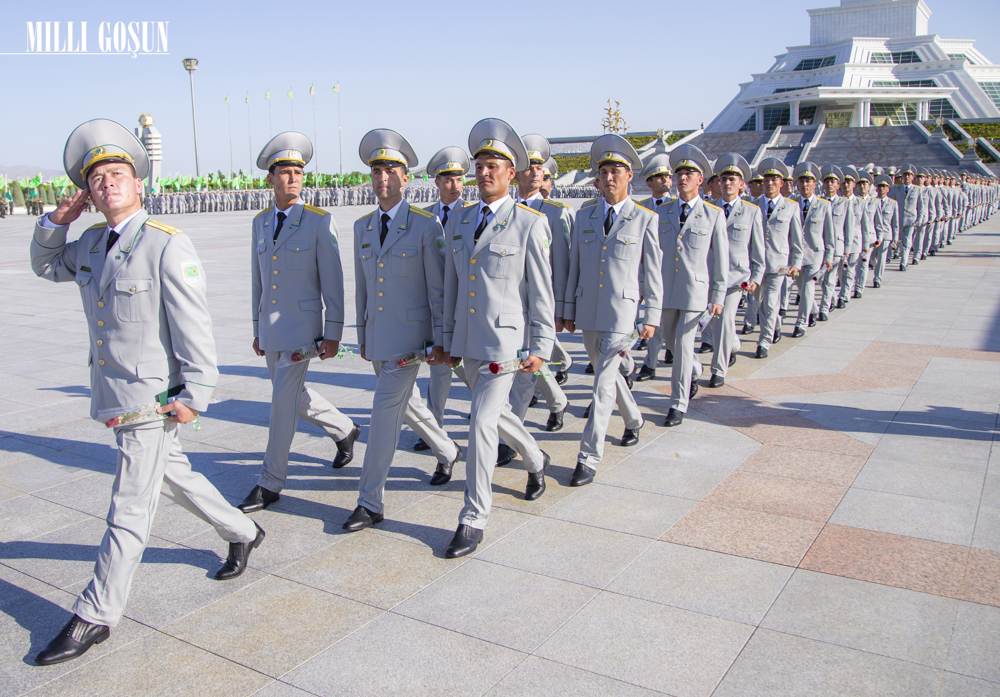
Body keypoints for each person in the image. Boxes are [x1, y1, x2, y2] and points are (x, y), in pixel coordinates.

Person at [29, 119, 262, 665]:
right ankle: (243, 530)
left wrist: (196, 393)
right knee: (173, 477)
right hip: (113, 391)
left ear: (139, 184)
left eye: (117, 173)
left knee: (129, 507)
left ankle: (97, 613)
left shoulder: (165, 245)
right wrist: (54, 222)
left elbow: (193, 327)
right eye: (98, 178)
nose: (108, 183)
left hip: (151, 398)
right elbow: (44, 265)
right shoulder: (88, 242)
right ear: (88, 192)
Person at [440, 118, 554, 558]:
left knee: (482, 422)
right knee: (499, 417)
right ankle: (535, 458)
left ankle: (473, 517)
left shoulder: (528, 223)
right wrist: (447, 338)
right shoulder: (462, 219)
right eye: (480, 165)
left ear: (512, 173)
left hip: (505, 345)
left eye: (494, 166)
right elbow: (452, 285)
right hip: (467, 342)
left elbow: (540, 291)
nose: (485, 173)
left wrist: (540, 347)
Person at [343, 129, 462, 532]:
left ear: (406, 178)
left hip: (411, 342)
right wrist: (362, 333)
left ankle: (369, 500)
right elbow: (362, 286)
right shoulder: (361, 227)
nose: (383, 179)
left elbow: (438, 288)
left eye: (391, 171)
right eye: (377, 171)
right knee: (408, 406)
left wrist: (440, 339)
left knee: (383, 415)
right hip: (378, 338)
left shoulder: (426, 226)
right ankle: (447, 450)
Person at [239, 132, 359, 514]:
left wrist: (334, 331)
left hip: (303, 329)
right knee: (293, 396)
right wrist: (257, 327)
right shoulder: (260, 223)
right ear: (270, 179)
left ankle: (270, 480)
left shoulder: (319, 222)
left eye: (297, 172)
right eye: (285, 172)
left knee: (281, 405)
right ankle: (344, 429)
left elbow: (334, 281)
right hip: (272, 329)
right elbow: (258, 278)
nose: (292, 178)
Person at [563, 134, 662, 485]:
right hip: (589, 309)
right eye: (604, 171)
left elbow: (652, 271)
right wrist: (567, 308)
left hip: (622, 314)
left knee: (602, 384)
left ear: (629, 175)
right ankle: (634, 420)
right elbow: (574, 264)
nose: (609, 178)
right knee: (611, 375)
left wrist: (651, 315)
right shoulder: (585, 215)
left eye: (616, 171)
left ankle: (588, 456)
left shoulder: (645, 218)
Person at [656, 144, 728, 427]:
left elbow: (721, 259)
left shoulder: (713, 215)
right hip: (666, 289)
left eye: (690, 173)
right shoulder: (663, 212)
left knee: (684, 346)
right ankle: (694, 370)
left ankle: (678, 402)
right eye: (680, 173)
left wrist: (718, 295)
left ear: (701, 179)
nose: (683, 178)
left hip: (695, 291)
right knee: (671, 343)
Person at [510, 133, 570, 430]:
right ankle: (557, 401)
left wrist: (560, 308)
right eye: (530, 165)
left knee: (526, 364)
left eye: (540, 166)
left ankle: (511, 431)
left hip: (543, 304)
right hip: (512, 303)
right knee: (529, 363)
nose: (536, 171)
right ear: (515, 171)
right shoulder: (504, 211)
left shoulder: (557, 214)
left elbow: (561, 264)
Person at [705, 153, 764, 383]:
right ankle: (734, 344)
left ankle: (718, 369)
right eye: (724, 179)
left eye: (733, 179)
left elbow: (757, 249)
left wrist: (756, 277)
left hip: (735, 278)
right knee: (716, 323)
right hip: (710, 275)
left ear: (742, 184)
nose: (727, 183)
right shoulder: (709, 209)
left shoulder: (751, 211)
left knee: (723, 320)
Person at [753, 158, 802, 352]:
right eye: (767, 179)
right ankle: (776, 324)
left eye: (774, 179)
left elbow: (796, 239)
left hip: (778, 264)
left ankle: (764, 341)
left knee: (771, 302)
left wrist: (796, 263)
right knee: (758, 303)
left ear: (781, 183)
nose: (770, 183)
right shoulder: (754, 205)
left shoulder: (791, 206)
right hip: (756, 263)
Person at [791, 162, 834, 335]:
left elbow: (829, 234)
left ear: (815, 184)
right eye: (802, 180)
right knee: (801, 287)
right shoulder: (792, 203)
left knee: (808, 287)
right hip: (796, 255)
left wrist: (829, 256)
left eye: (808, 181)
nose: (805, 184)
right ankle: (813, 310)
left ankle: (801, 323)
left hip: (815, 253)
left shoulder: (823, 205)